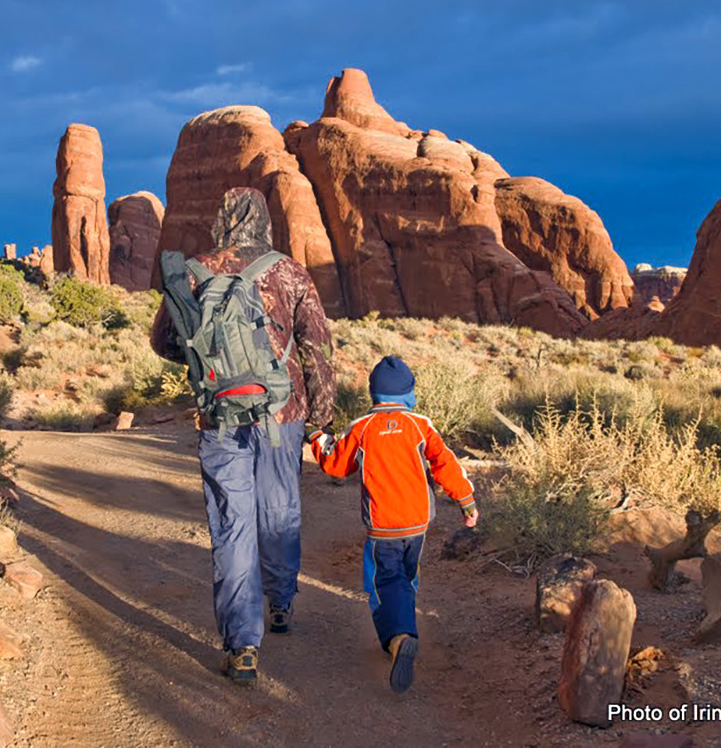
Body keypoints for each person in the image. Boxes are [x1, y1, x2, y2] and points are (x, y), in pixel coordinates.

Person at [151, 187, 335, 685]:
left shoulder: (194, 270)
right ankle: (280, 603)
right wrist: (321, 412)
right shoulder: (289, 271)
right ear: (264, 220)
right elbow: (316, 345)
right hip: (283, 412)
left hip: (220, 414)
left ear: (223, 219)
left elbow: (164, 340)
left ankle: (242, 645)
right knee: (280, 509)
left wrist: (210, 364)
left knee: (232, 522)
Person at [308, 355, 477, 693]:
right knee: (406, 576)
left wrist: (317, 438)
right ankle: (403, 623)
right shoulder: (420, 425)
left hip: (383, 525)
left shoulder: (361, 428)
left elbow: (336, 465)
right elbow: (447, 464)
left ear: (375, 394)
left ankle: (399, 638)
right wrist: (466, 501)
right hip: (417, 523)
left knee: (383, 583)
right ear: (407, 394)